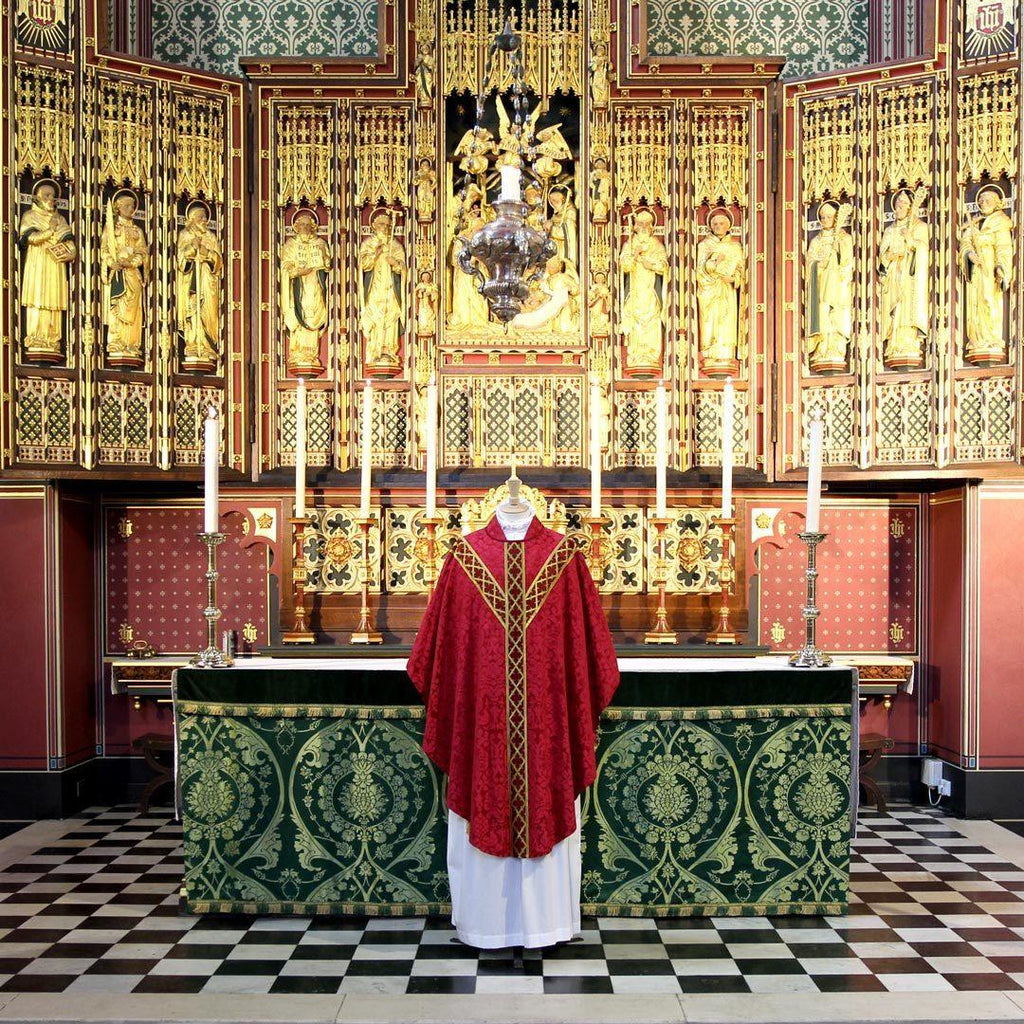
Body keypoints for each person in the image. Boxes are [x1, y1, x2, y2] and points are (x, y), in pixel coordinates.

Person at [408, 485, 619, 949]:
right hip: (482, 726)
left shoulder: (565, 558)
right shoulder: (463, 558)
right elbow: (438, 654)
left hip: (547, 729)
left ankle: (550, 922)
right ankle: (484, 923)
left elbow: (590, 653)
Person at [18, 180, 76, 361]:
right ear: (37, 197)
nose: (51, 199)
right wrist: (50, 230)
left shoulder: (60, 218)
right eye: (47, 196)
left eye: (53, 196)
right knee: (38, 296)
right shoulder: (29, 216)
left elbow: (69, 242)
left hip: (55, 264)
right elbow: (30, 239)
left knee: (53, 297)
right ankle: (36, 336)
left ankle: (52, 338)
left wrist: (71, 252)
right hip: (38, 262)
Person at [959, 185, 1013, 365]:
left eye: (987, 200)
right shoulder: (975, 223)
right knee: (975, 303)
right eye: (981, 201)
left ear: (997, 203)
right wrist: (969, 254)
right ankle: (977, 338)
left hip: (989, 268)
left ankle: (991, 337)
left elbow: (1004, 248)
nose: (983, 203)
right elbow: (965, 242)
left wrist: (1001, 268)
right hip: (976, 270)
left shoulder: (1001, 222)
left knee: (989, 300)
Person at [100, 190, 149, 365]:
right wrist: (111, 262)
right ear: (118, 208)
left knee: (134, 309)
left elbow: (143, 252)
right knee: (117, 307)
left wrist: (132, 262)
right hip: (117, 274)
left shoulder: (137, 230)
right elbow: (104, 249)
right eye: (127, 206)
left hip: (132, 273)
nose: (131, 209)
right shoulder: (112, 228)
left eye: (132, 206)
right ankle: (116, 342)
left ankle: (132, 343)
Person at [175, 202, 222, 368]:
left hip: (208, 281)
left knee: (208, 312)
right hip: (191, 281)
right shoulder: (185, 234)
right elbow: (181, 259)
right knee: (193, 310)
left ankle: (207, 346)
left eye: (206, 217)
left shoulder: (210, 237)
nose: (204, 220)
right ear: (192, 219)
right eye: (201, 217)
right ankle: (193, 344)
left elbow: (218, 261)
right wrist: (190, 248)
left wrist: (206, 253)